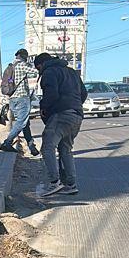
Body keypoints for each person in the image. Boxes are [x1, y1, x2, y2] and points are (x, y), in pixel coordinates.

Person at [32, 53, 87, 198]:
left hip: (61, 115)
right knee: (66, 149)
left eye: (38, 68)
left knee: (47, 147)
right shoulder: (72, 72)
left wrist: (43, 107)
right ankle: (71, 185)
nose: (39, 71)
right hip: (76, 116)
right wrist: (74, 105)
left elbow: (51, 95)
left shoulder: (49, 72)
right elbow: (84, 93)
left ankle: (54, 182)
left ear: (42, 64)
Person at [0, 47, 40, 157]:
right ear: (25, 57)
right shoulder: (22, 65)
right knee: (22, 122)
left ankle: (32, 147)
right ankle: (7, 143)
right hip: (22, 98)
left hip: (12, 99)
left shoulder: (10, 66)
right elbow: (37, 71)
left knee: (24, 123)